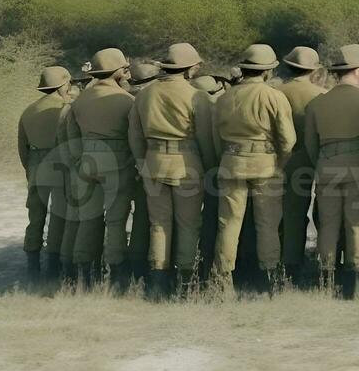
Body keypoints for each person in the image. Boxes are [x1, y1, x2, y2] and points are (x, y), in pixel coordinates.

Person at [128, 43, 217, 299]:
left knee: (159, 224)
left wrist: (141, 162)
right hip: (186, 163)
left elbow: (134, 135)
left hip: (153, 162)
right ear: (188, 68)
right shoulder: (197, 96)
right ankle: (186, 283)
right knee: (188, 224)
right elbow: (205, 138)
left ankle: (158, 281)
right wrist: (209, 167)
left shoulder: (145, 94)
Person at [209, 44, 296, 295]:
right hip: (266, 165)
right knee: (267, 224)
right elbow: (288, 140)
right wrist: (280, 164)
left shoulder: (225, 97)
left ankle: (222, 281)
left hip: (231, 162)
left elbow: (216, 139)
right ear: (267, 71)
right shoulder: (273, 96)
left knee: (228, 224)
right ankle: (269, 279)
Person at [304, 44, 359, 297]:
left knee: (327, 226)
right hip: (358, 169)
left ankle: (326, 278)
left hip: (326, 167)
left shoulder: (317, 104)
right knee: (357, 224)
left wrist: (324, 162)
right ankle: (356, 282)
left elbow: (311, 145)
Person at [61, 48, 137, 292]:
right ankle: (116, 278)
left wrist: (78, 160)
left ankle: (83, 276)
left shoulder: (80, 99)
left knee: (87, 220)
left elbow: (71, 136)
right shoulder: (127, 100)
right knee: (115, 222)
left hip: (86, 162)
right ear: (117, 71)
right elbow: (134, 137)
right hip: (117, 162)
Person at [18, 66, 74, 288]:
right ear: (62, 84)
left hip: (35, 162)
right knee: (60, 214)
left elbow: (22, 147)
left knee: (36, 215)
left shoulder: (28, 111)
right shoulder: (65, 108)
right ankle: (53, 266)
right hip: (60, 161)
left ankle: (32, 265)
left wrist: (30, 169)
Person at [276, 46, 326, 287]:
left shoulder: (275, 92)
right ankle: (299, 264)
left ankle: (285, 261)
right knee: (311, 212)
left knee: (284, 213)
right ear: (314, 70)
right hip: (313, 157)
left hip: (279, 159)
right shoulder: (321, 95)